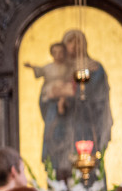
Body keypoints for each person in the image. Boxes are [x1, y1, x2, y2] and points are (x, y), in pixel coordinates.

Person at [39, 30, 113, 181]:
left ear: (84, 44)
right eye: (70, 42)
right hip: (61, 129)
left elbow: (98, 97)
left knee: (88, 171)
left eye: (78, 41)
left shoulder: (94, 68)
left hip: (85, 126)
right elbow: (45, 98)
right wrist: (56, 98)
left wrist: (74, 93)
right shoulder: (59, 70)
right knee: (61, 173)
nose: (74, 46)